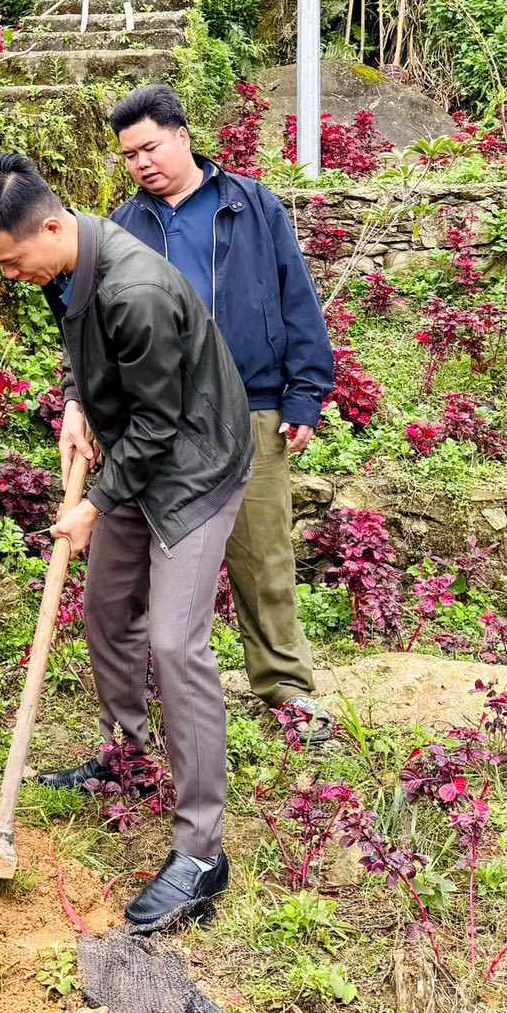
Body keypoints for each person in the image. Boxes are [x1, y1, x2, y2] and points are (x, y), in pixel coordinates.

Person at [0, 152, 254, 933]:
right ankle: (127, 759)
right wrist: (81, 401)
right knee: (107, 608)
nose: (11, 275)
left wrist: (96, 506)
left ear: (51, 227)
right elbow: (97, 358)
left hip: (193, 468)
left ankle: (200, 852)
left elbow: (160, 421)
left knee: (178, 646)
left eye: (13, 260)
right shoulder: (67, 266)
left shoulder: (136, 288)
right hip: (135, 450)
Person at [101, 83, 335, 737]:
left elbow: (296, 296)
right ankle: (141, 707)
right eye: (128, 156)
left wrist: (305, 392)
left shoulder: (251, 205)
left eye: (149, 146)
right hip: (160, 420)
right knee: (148, 566)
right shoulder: (123, 228)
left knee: (263, 557)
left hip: (251, 410)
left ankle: (286, 689)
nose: (141, 163)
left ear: (181, 135)